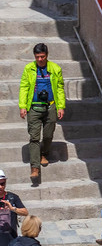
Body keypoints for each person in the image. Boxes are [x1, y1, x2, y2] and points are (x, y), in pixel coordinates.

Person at [18, 44, 64, 186]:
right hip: (34, 107)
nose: (40, 59)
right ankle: (35, 167)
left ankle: (44, 153)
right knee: (34, 137)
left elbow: (60, 88)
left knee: (48, 135)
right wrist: (22, 106)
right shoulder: (29, 69)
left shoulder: (55, 69)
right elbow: (24, 87)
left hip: (50, 106)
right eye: (37, 57)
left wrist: (61, 107)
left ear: (47, 55)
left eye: (42, 56)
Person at [0, 170, 30, 246]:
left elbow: (25, 213)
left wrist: (13, 209)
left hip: (10, 240)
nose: (0, 187)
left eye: (2, 184)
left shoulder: (13, 197)